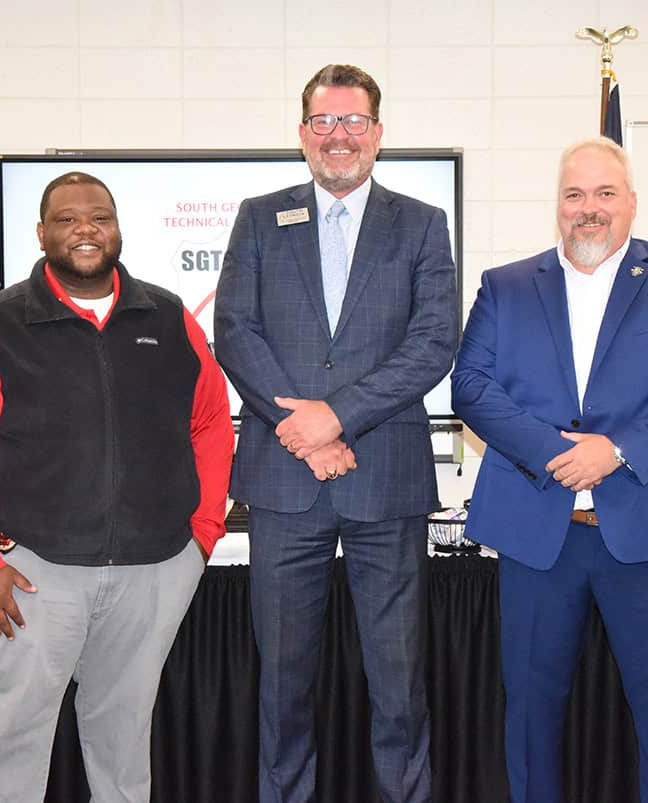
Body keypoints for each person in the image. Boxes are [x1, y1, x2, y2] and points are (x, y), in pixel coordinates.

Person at [451, 137, 648, 803]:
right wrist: (559, 451)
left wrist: (614, 449)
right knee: (528, 714)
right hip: (535, 531)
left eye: (605, 193)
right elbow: (472, 387)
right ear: (557, 205)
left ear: (631, 202)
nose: (590, 209)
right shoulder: (507, 285)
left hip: (647, 530)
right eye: (575, 194)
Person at [0, 171, 232, 803]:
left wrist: (202, 532)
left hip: (154, 567)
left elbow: (211, 421)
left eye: (98, 216)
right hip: (33, 572)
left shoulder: (170, 315)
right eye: (67, 219)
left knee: (124, 739)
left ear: (118, 227)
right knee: (11, 733)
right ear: (41, 232)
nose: (85, 230)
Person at [213, 64, 456, 803]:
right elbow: (234, 330)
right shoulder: (260, 215)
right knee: (283, 683)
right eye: (324, 122)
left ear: (378, 135)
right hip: (286, 484)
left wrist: (338, 415)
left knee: (399, 685)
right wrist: (304, 429)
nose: (338, 136)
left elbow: (434, 339)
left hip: (387, 478)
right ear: (302, 135)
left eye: (353, 122)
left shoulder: (420, 223)